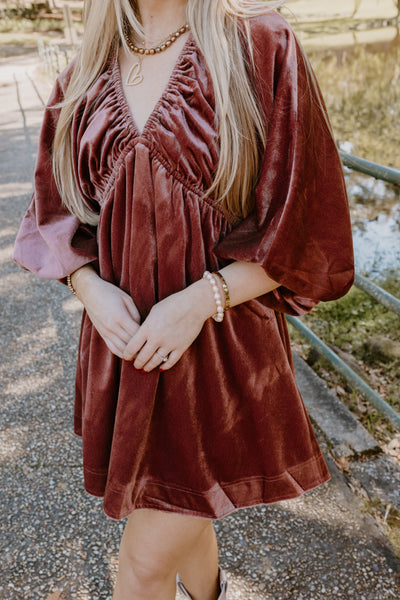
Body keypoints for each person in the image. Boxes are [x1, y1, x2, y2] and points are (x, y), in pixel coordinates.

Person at [13, 0, 354, 599]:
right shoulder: (84, 73)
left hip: (218, 355)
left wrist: (200, 299)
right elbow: (52, 214)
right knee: (181, 510)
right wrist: (89, 289)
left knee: (144, 563)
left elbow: (306, 224)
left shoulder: (262, 47)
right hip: (127, 353)